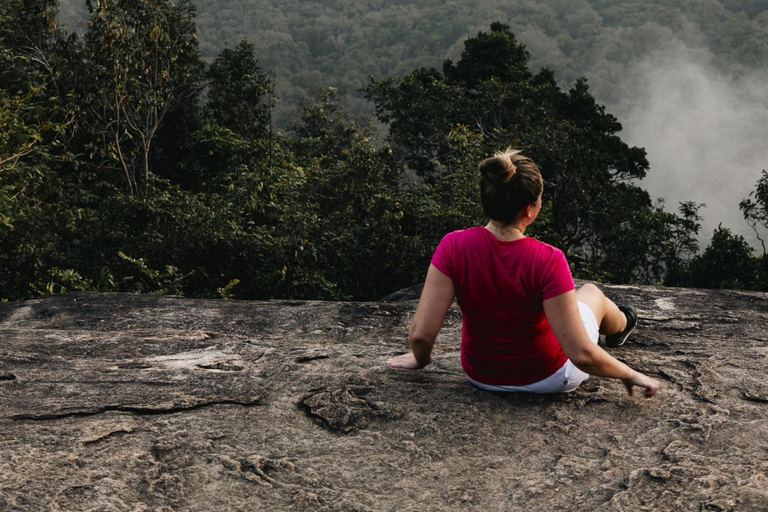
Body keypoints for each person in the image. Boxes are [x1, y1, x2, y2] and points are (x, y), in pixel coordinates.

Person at [387, 149, 660, 398]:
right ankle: (623, 324)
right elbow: (581, 355)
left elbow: (421, 335)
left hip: (481, 376)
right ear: (529, 211)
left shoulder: (453, 247)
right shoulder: (548, 260)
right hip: (549, 378)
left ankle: (622, 323)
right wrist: (630, 373)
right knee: (591, 294)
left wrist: (419, 360)